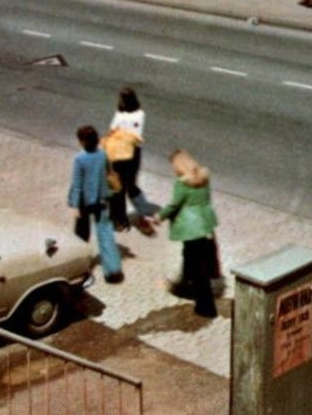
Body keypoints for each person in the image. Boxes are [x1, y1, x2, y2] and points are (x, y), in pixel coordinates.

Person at [156, 149, 219, 318]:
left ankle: (206, 307)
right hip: (205, 224)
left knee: (197, 268)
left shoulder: (182, 183)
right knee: (191, 258)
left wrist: (159, 217)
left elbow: (174, 205)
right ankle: (184, 285)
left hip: (190, 228)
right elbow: (207, 200)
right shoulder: (204, 177)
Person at [67, 124, 123, 283]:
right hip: (102, 200)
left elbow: (77, 185)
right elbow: (107, 175)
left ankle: (79, 267)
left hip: (85, 203)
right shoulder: (103, 155)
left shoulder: (80, 158)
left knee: (81, 235)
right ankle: (113, 271)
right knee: (105, 234)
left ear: (83, 141)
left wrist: (75, 206)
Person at [108, 88, 156, 233]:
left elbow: (112, 131)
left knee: (118, 187)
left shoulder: (120, 116)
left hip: (120, 152)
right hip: (135, 153)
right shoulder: (141, 114)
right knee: (132, 185)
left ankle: (119, 219)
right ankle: (144, 212)